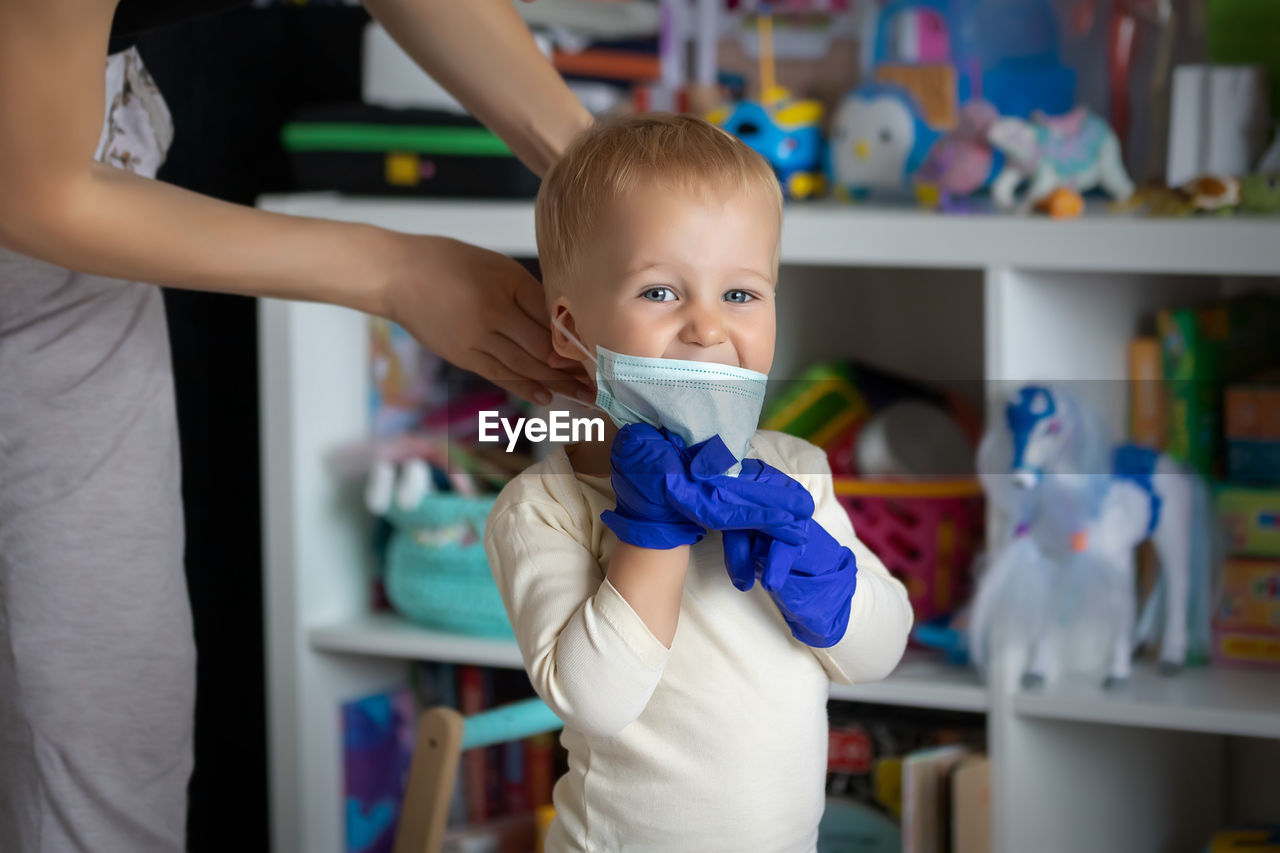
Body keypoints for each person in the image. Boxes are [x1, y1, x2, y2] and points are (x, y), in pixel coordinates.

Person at [0, 1, 593, 850]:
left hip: (72, 225)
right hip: (47, 190)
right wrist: (395, 271)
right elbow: (39, 194)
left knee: (116, 717)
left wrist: (596, 168)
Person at [483, 114, 913, 852]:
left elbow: (878, 652)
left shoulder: (795, 469)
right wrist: (651, 532)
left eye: (742, 294)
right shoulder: (544, 509)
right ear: (568, 327)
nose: (708, 329)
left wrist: (823, 575)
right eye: (660, 292)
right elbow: (597, 699)